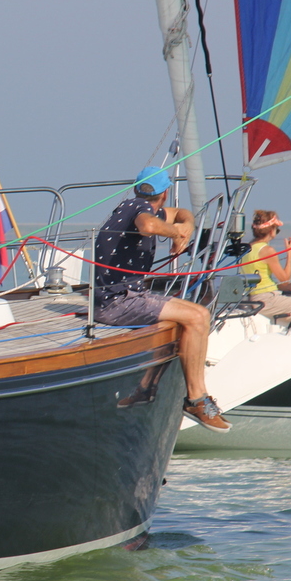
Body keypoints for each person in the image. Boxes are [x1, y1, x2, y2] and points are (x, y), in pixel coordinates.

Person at [90, 166, 230, 432]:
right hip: (118, 302)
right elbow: (148, 226)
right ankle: (196, 400)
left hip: (127, 296)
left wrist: (186, 226)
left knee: (198, 314)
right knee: (197, 317)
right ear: (165, 193)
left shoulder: (134, 207)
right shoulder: (138, 208)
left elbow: (181, 213)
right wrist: (176, 235)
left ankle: (146, 388)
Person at [239, 210, 291, 330]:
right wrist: (289, 253)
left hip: (254, 298)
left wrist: (288, 287)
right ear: (271, 231)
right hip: (267, 300)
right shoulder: (267, 251)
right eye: (277, 230)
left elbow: (265, 283)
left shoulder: (248, 249)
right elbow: (285, 279)